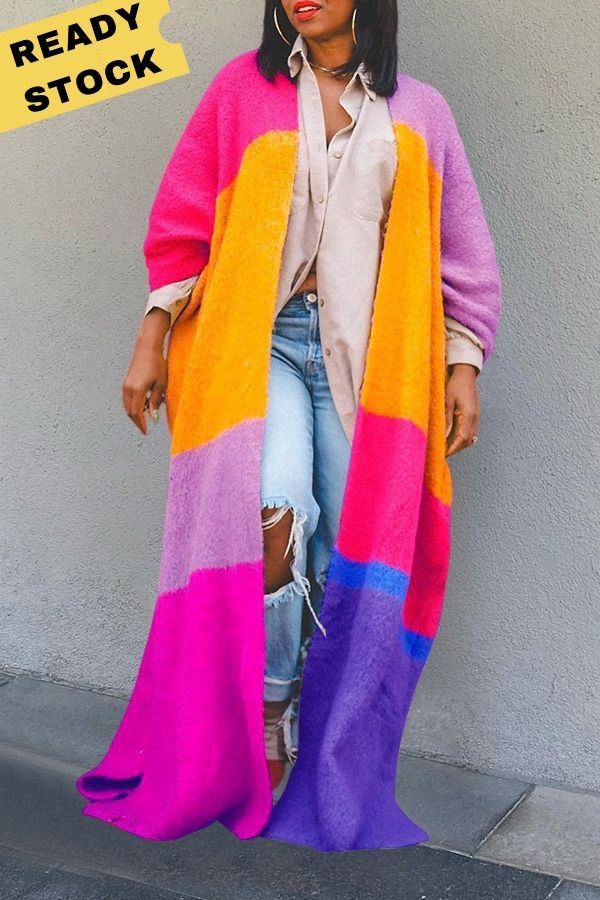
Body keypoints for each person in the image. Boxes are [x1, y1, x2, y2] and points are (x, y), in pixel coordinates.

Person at [122, 0, 491, 792]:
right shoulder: (241, 90)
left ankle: (327, 722)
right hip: (264, 344)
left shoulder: (420, 112)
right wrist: (152, 336)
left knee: (348, 549)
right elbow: (184, 220)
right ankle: (269, 706)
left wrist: (464, 363)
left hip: (371, 360)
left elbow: (460, 250)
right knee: (276, 514)